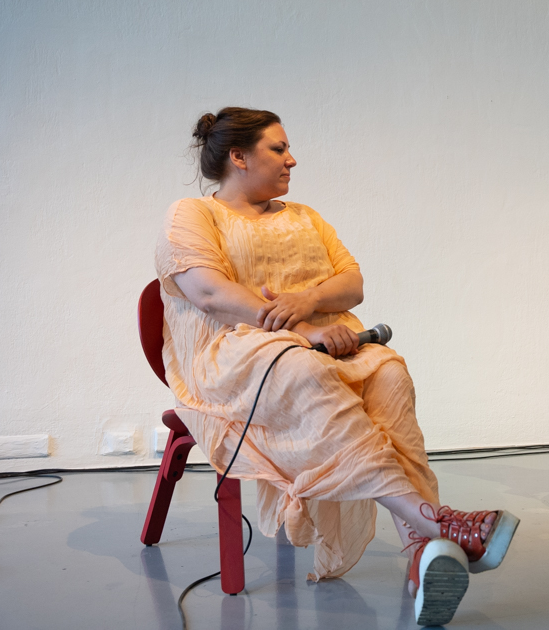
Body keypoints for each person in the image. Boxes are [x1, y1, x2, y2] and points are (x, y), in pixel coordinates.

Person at [155, 107, 518, 626]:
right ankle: (436, 524)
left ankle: (424, 550)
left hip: (321, 345)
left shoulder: (305, 217)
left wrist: (307, 302)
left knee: (389, 372)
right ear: (238, 157)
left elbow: (352, 283)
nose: (292, 159)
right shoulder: (192, 214)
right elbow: (210, 294)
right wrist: (304, 331)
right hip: (234, 357)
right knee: (303, 370)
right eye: (278, 149)